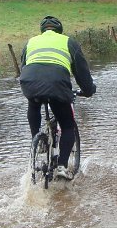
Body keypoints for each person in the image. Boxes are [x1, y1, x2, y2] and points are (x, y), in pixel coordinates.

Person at [20, 16, 96, 180]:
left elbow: (24, 66)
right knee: (68, 125)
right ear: (59, 30)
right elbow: (81, 71)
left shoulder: (30, 42)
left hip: (29, 83)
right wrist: (88, 90)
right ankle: (61, 166)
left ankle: (37, 140)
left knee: (33, 104)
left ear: (42, 31)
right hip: (57, 85)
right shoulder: (68, 42)